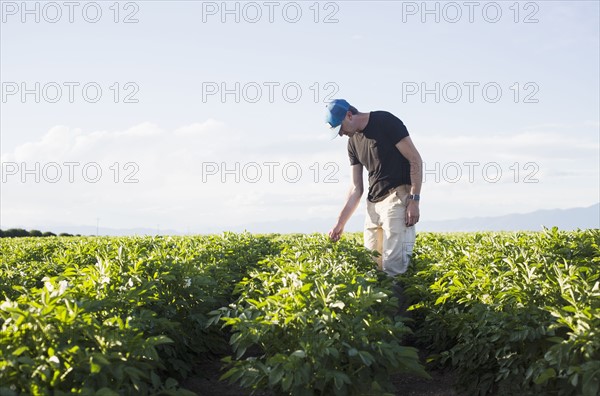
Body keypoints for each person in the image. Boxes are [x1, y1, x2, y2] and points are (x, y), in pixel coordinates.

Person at [326, 99, 423, 277]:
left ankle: (396, 305)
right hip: (373, 206)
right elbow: (356, 188)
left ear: (349, 115)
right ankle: (381, 306)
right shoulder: (352, 143)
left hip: (397, 197)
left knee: (394, 268)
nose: (340, 134)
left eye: (340, 128)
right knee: (371, 267)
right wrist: (340, 222)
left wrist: (414, 199)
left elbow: (415, 160)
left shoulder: (385, 122)